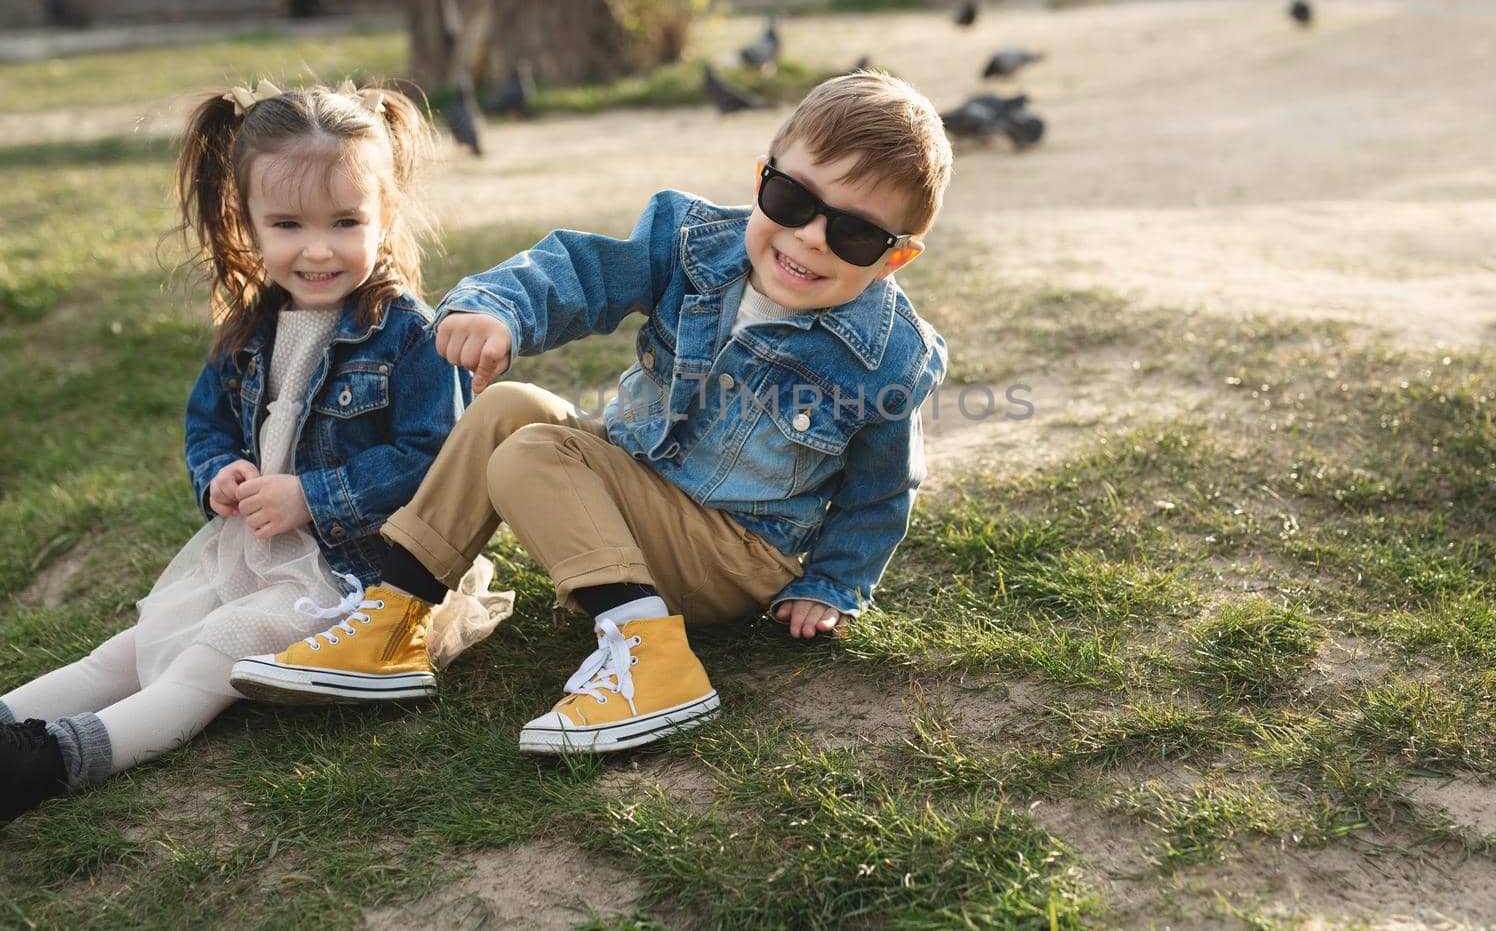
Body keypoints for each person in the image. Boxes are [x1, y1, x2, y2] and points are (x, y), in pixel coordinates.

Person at [230, 71, 953, 755]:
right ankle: (393, 621)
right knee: (508, 411)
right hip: (637, 490)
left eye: (854, 234)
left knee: (531, 454)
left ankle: (654, 662)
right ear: (763, 177)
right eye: (794, 200)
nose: (811, 237)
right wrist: (499, 310)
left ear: (894, 258)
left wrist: (831, 583)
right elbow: (580, 271)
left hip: (735, 553)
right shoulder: (694, 241)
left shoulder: (887, 353)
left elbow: (882, 485)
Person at [0, 81, 495, 820]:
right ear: (249, 224)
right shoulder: (248, 330)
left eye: (346, 221)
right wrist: (220, 475)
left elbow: (437, 460)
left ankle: (55, 760)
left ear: (385, 216)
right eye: (289, 224)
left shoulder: (410, 335)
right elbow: (209, 427)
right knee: (136, 647)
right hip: (257, 551)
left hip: (357, 572)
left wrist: (311, 493)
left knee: (210, 658)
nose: (318, 248)